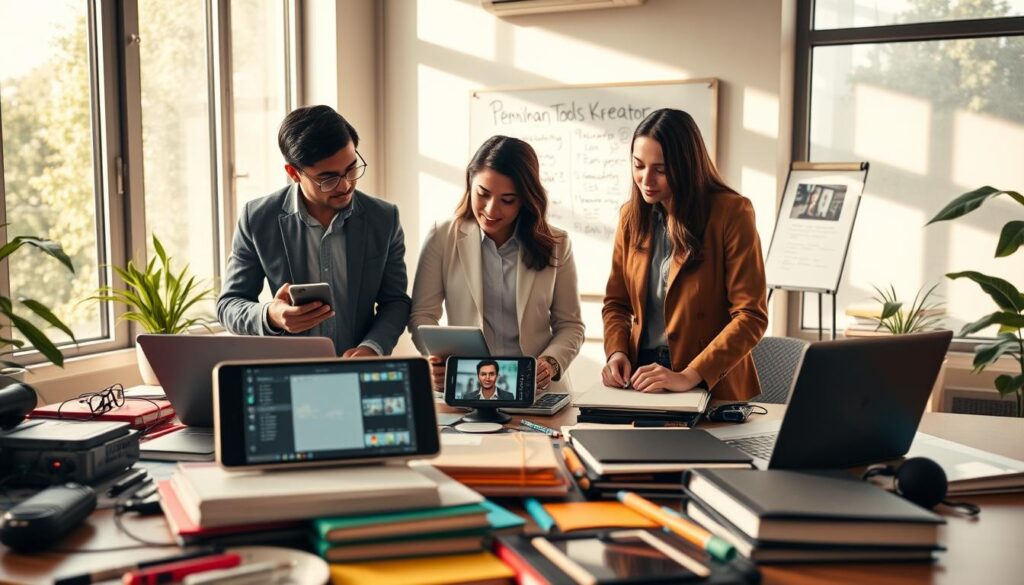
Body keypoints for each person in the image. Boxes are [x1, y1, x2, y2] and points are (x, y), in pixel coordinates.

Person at [601, 108, 767, 401]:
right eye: (638, 165)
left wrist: (689, 375)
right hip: (642, 378)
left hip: (709, 380)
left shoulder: (731, 213)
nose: (646, 179)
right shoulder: (630, 217)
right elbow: (616, 303)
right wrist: (616, 352)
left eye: (661, 169)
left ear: (687, 166)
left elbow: (750, 316)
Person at [217, 105, 410, 356]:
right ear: (294, 173)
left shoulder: (384, 218)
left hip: (359, 372)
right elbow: (228, 305)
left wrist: (372, 348)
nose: (346, 185)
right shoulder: (257, 218)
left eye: (351, 168)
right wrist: (271, 315)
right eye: (328, 178)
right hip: (287, 373)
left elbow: (395, 302)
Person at [409, 135, 585, 394]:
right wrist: (437, 359)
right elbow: (422, 315)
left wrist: (550, 363)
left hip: (535, 391)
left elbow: (571, 325)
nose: (491, 209)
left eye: (507, 199)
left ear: (525, 199)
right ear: (470, 183)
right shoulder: (442, 237)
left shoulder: (557, 243)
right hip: (466, 388)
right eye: (483, 194)